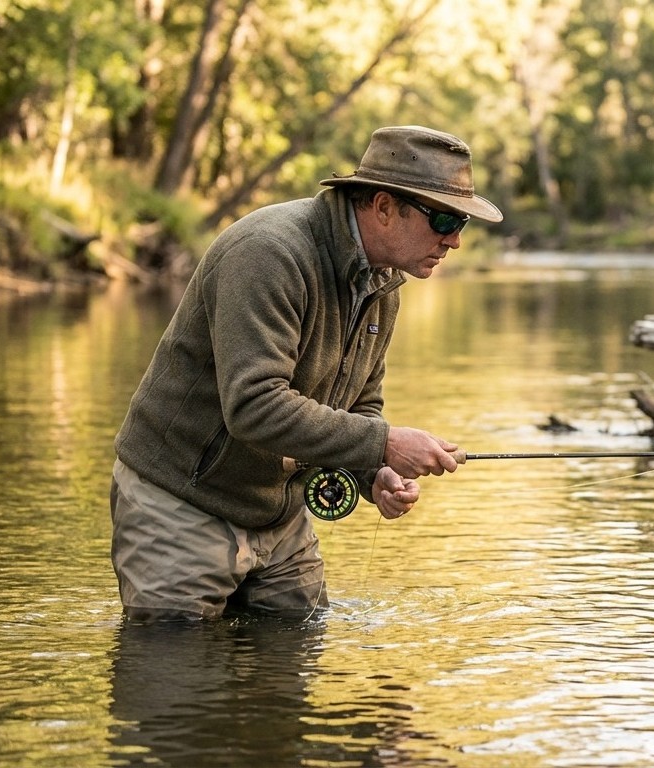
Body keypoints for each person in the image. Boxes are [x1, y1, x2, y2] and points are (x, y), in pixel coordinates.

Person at [109, 125, 502, 622]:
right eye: (444, 218)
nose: (456, 240)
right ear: (382, 206)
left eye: (462, 222)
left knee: (293, 654)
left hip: (278, 512)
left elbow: (361, 404)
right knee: (174, 670)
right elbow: (254, 406)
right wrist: (382, 443)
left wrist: (371, 473)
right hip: (180, 502)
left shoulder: (383, 282)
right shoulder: (268, 254)